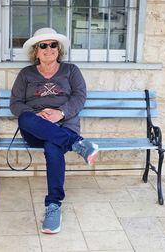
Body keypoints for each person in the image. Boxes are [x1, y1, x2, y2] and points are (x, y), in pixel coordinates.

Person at [10, 27, 99, 234]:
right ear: (36, 50)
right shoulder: (26, 74)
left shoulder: (71, 71)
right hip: (35, 128)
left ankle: (53, 205)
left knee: (53, 147)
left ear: (58, 49)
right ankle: (77, 144)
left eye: (53, 45)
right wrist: (36, 114)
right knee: (25, 118)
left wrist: (60, 113)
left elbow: (79, 97)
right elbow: (15, 103)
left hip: (64, 124)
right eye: (43, 45)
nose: (48, 49)